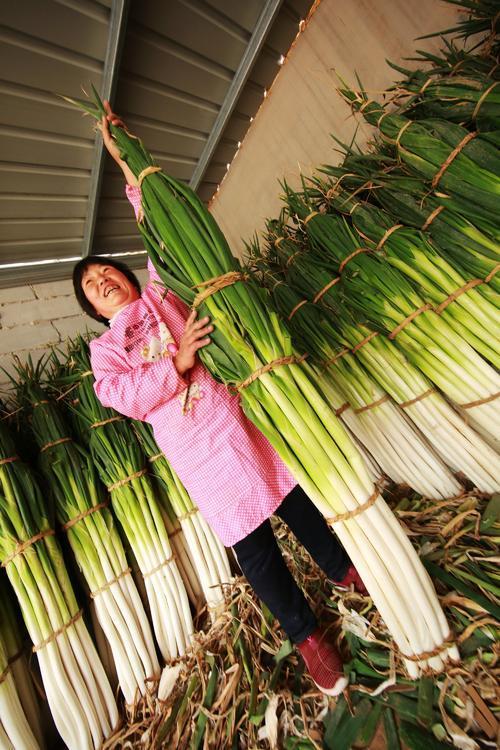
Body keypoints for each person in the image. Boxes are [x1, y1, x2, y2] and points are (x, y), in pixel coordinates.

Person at [73, 102, 367, 697]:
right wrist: (178, 363)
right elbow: (120, 396)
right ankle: (308, 638)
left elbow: (160, 224)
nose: (101, 280)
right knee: (253, 548)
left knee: (292, 497)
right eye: (90, 287)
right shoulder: (106, 350)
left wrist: (126, 157)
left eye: (105, 271)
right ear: (96, 310)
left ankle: (344, 571)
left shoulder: (163, 290)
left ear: (127, 275)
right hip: (195, 450)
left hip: (236, 413)